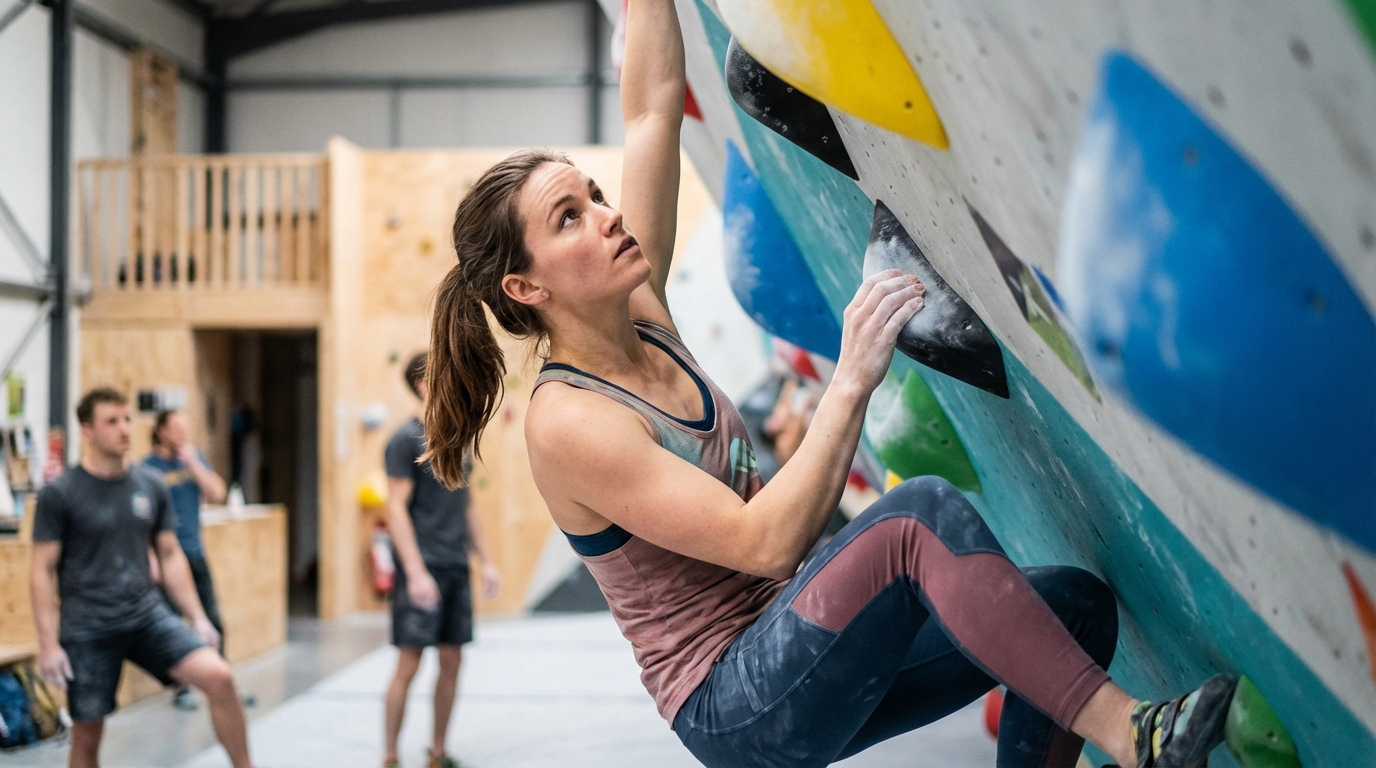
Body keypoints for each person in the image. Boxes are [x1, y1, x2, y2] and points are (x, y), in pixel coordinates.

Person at [419, 1, 1243, 765]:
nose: (605, 213)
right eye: (569, 217)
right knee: (918, 516)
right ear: (525, 289)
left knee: (1072, 607)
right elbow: (763, 544)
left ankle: (1110, 727)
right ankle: (1135, 740)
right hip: (733, 701)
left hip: (796, 638)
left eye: (594, 194)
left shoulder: (643, 310)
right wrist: (851, 379)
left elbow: (648, 110)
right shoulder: (568, 423)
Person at [30, 388, 252, 768]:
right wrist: (48, 645)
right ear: (87, 430)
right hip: (88, 627)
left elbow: (169, 555)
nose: (124, 429)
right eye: (112, 421)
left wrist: (198, 617)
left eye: (128, 419)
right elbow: (41, 570)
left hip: (146, 615)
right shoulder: (60, 493)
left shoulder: (150, 484)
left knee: (220, 677)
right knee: (87, 734)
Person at [382, 353, 501, 768]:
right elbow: (395, 510)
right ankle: (390, 756)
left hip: (454, 565)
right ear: (422, 385)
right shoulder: (404, 440)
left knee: (452, 660)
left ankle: (437, 752)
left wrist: (485, 561)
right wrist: (414, 573)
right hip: (423, 566)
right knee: (409, 663)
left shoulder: (459, 438)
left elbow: (466, 505)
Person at [142, 409, 229, 711]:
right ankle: (180, 688)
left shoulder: (194, 460)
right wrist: (149, 556)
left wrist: (194, 463)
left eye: (185, 429)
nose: (182, 435)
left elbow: (218, 493)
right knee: (172, 624)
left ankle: (223, 679)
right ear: (162, 431)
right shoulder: (147, 469)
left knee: (212, 618)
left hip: (193, 551)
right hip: (165, 558)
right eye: (176, 429)